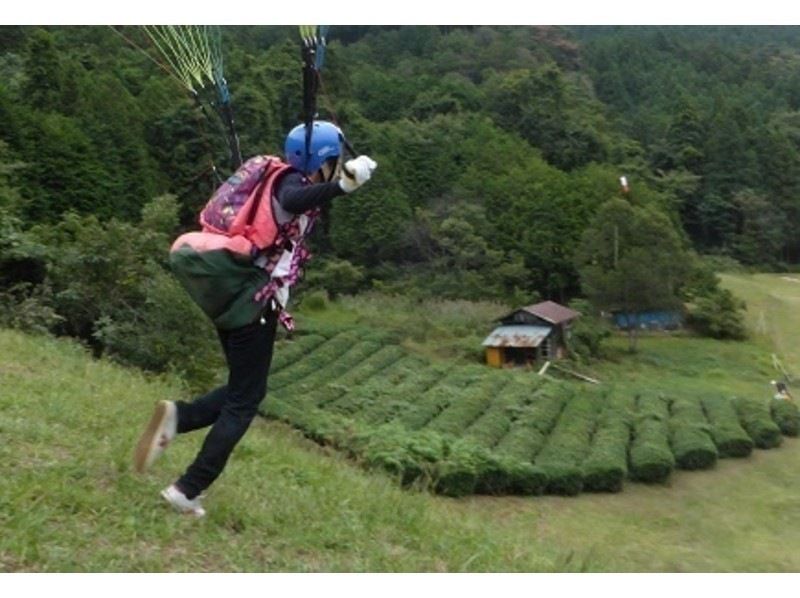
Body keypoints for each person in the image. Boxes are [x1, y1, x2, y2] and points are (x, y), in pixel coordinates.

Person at [133, 120, 377, 517]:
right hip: (253, 303)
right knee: (246, 401)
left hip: (234, 298)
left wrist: (337, 185)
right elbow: (300, 198)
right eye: (335, 162)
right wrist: (343, 187)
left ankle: (179, 417)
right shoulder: (289, 186)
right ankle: (187, 488)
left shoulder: (275, 177)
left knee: (241, 389)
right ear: (326, 162)